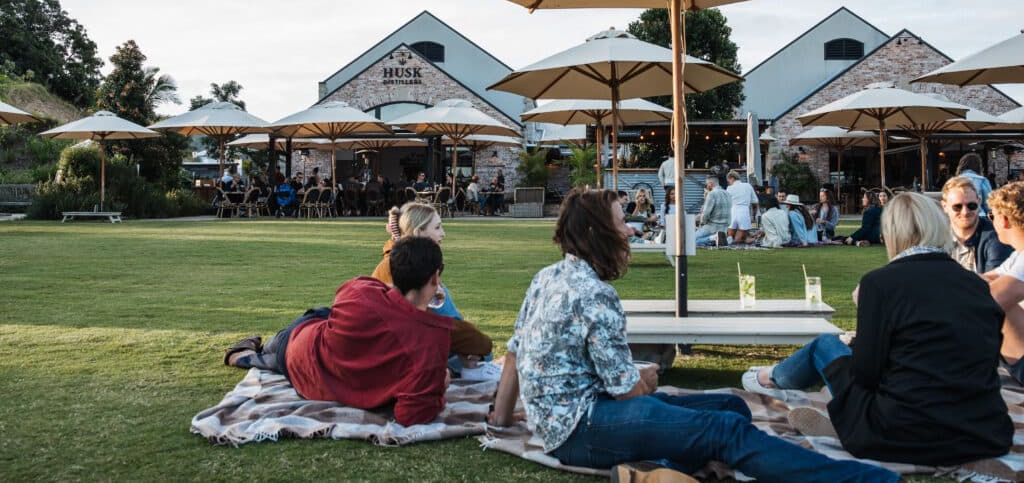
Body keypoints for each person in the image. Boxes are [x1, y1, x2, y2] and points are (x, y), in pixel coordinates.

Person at [487, 187, 895, 482]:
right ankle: (864, 480)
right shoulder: (596, 294)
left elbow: (514, 354)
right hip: (585, 426)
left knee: (730, 408)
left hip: (570, 419)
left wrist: (501, 421)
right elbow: (627, 391)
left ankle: (651, 474)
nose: (630, 231)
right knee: (726, 431)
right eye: (621, 222)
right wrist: (644, 381)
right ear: (598, 234)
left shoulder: (545, 277)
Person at [743, 192, 1012, 466]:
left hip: (900, 433)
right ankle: (775, 379)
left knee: (826, 345)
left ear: (890, 233)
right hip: (982, 434)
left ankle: (768, 378)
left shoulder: (879, 284)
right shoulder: (975, 284)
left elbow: (866, 374)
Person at [223, 236, 455, 426]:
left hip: (304, 347)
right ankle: (245, 355)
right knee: (286, 344)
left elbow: (360, 294)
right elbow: (410, 415)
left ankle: (243, 354)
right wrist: (437, 389)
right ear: (435, 277)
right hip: (310, 361)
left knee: (292, 337)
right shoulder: (430, 344)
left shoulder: (360, 292)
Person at [371, 203, 499, 381]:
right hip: (402, 352)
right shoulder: (400, 267)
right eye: (437, 227)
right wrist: (476, 344)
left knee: (479, 353)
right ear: (418, 233)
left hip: (413, 345)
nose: (443, 234)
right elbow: (427, 322)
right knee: (480, 354)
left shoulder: (409, 261)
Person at [983, 182, 1024, 385]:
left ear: (1005, 220)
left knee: (994, 303)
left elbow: (993, 299)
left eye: (992, 216)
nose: (992, 222)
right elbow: (984, 279)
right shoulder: (1018, 255)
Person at [942, 176, 1012, 273]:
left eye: (971, 206)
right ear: (944, 206)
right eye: (957, 207)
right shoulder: (937, 237)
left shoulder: (995, 237)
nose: (965, 212)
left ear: (979, 203)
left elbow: (995, 283)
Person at [694, 176, 730, 247]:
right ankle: (718, 239)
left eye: (707, 184)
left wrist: (702, 222)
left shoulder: (712, 194)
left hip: (712, 226)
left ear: (711, 183)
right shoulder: (727, 194)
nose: (707, 186)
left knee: (690, 240)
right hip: (724, 227)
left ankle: (713, 238)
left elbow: (705, 213)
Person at [725, 170, 759, 245]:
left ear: (732, 178)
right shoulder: (748, 186)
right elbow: (755, 202)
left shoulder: (729, 188)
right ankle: (750, 238)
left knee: (731, 236)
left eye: (729, 181)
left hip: (732, 212)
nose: (729, 183)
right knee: (739, 239)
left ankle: (744, 239)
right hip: (744, 211)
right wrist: (754, 215)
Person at [958, 151, 993, 216]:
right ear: (978, 166)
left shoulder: (954, 181)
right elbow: (989, 204)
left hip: (959, 217)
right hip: (978, 216)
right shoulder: (982, 180)